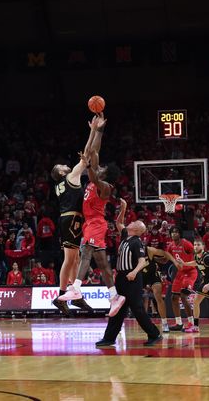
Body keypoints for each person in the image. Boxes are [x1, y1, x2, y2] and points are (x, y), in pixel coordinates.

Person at [58, 135, 125, 317]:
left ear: (106, 174)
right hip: (90, 224)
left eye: (102, 168)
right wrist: (99, 130)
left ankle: (76, 288)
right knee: (103, 264)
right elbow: (94, 151)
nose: (99, 167)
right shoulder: (96, 177)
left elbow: (94, 175)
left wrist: (88, 166)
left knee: (86, 251)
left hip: (96, 224)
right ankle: (114, 297)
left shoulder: (105, 186)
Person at [50, 115, 104, 315]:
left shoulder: (61, 185)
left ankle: (76, 295)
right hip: (71, 219)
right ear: (61, 173)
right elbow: (88, 154)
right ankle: (62, 295)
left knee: (75, 258)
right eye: (61, 167)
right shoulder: (72, 175)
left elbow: (86, 156)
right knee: (69, 259)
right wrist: (93, 130)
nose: (64, 165)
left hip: (68, 219)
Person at [95, 218, 162, 348]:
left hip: (132, 278)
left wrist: (134, 272)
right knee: (117, 308)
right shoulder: (126, 236)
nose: (130, 223)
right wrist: (123, 208)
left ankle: (154, 334)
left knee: (137, 309)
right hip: (121, 277)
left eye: (133, 223)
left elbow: (142, 261)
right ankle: (109, 338)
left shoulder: (137, 242)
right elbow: (118, 222)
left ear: (136, 229)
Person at [165, 226, 197, 332]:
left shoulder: (186, 243)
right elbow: (166, 257)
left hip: (190, 272)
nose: (174, 234)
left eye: (176, 232)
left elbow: (197, 256)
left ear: (180, 234)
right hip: (180, 273)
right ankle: (178, 323)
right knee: (174, 297)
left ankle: (191, 322)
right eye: (172, 232)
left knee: (183, 295)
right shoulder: (171, 245)